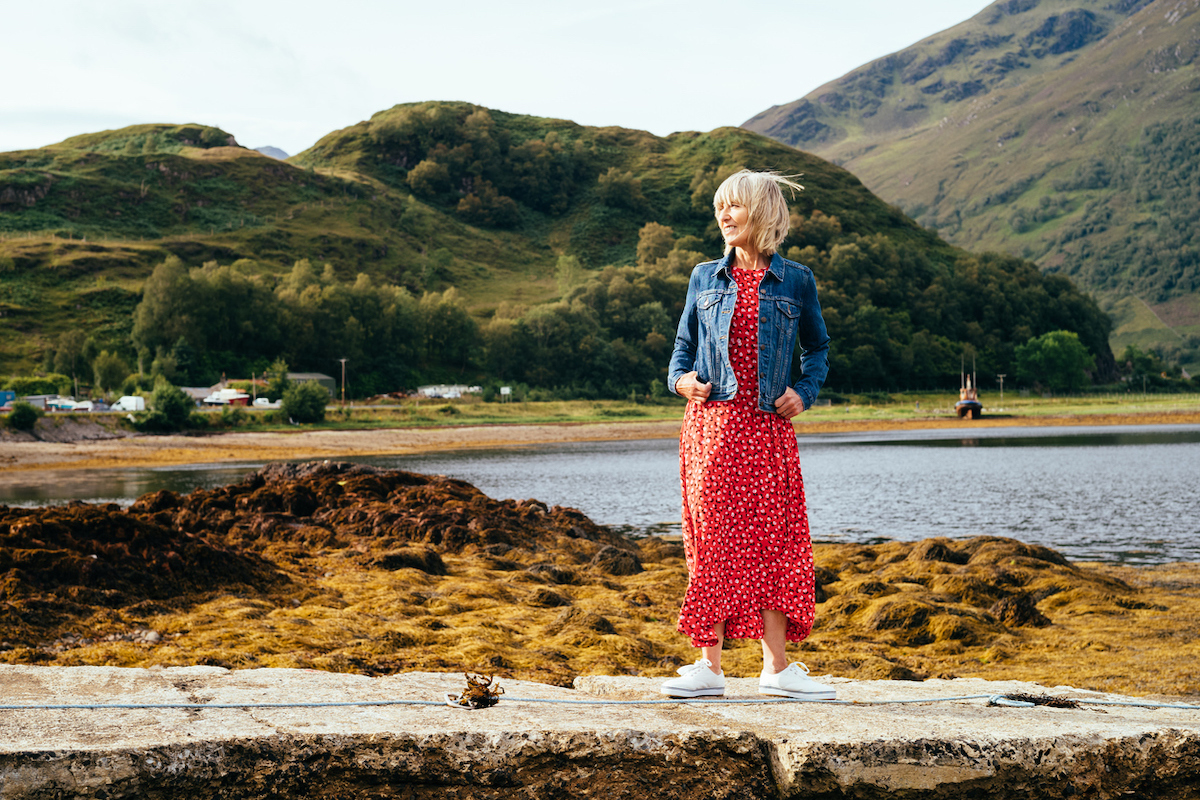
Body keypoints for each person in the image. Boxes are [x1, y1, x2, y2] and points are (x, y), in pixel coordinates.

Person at [661, 169, 835, 700]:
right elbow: (680, 351)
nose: (724, 215)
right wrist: (681, 381)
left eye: (734, 206)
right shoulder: (703, 277)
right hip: (711, 429)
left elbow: (819, 350)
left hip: (768, 432)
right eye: (719, 207)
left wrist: (804, 392)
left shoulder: (797, 281)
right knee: (711, 539)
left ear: (762, 212)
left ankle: (778, 670)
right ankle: (709, 668)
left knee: (776, 543)